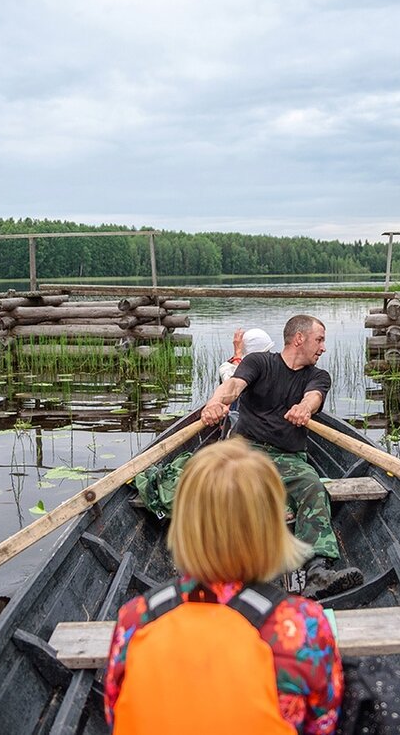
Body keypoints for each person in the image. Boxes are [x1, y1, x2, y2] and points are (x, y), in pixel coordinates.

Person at [104, 438, 342, 735]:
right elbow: (323, 725)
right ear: (272, 529)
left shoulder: (134, 618)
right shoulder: (303, 624)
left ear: (183, 526)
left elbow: (115, 713)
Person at [201, 315, 363, 600]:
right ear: (299, 339)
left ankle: (317, 572)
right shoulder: (260, 362)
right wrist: (215, 403)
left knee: (313, 486)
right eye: (320, 339)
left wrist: (304, 408)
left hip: (288, 457)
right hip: (246, 451)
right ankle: (216, 570)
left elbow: (312, 397)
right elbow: (233, 387)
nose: (323, 348)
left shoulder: (317, 375)